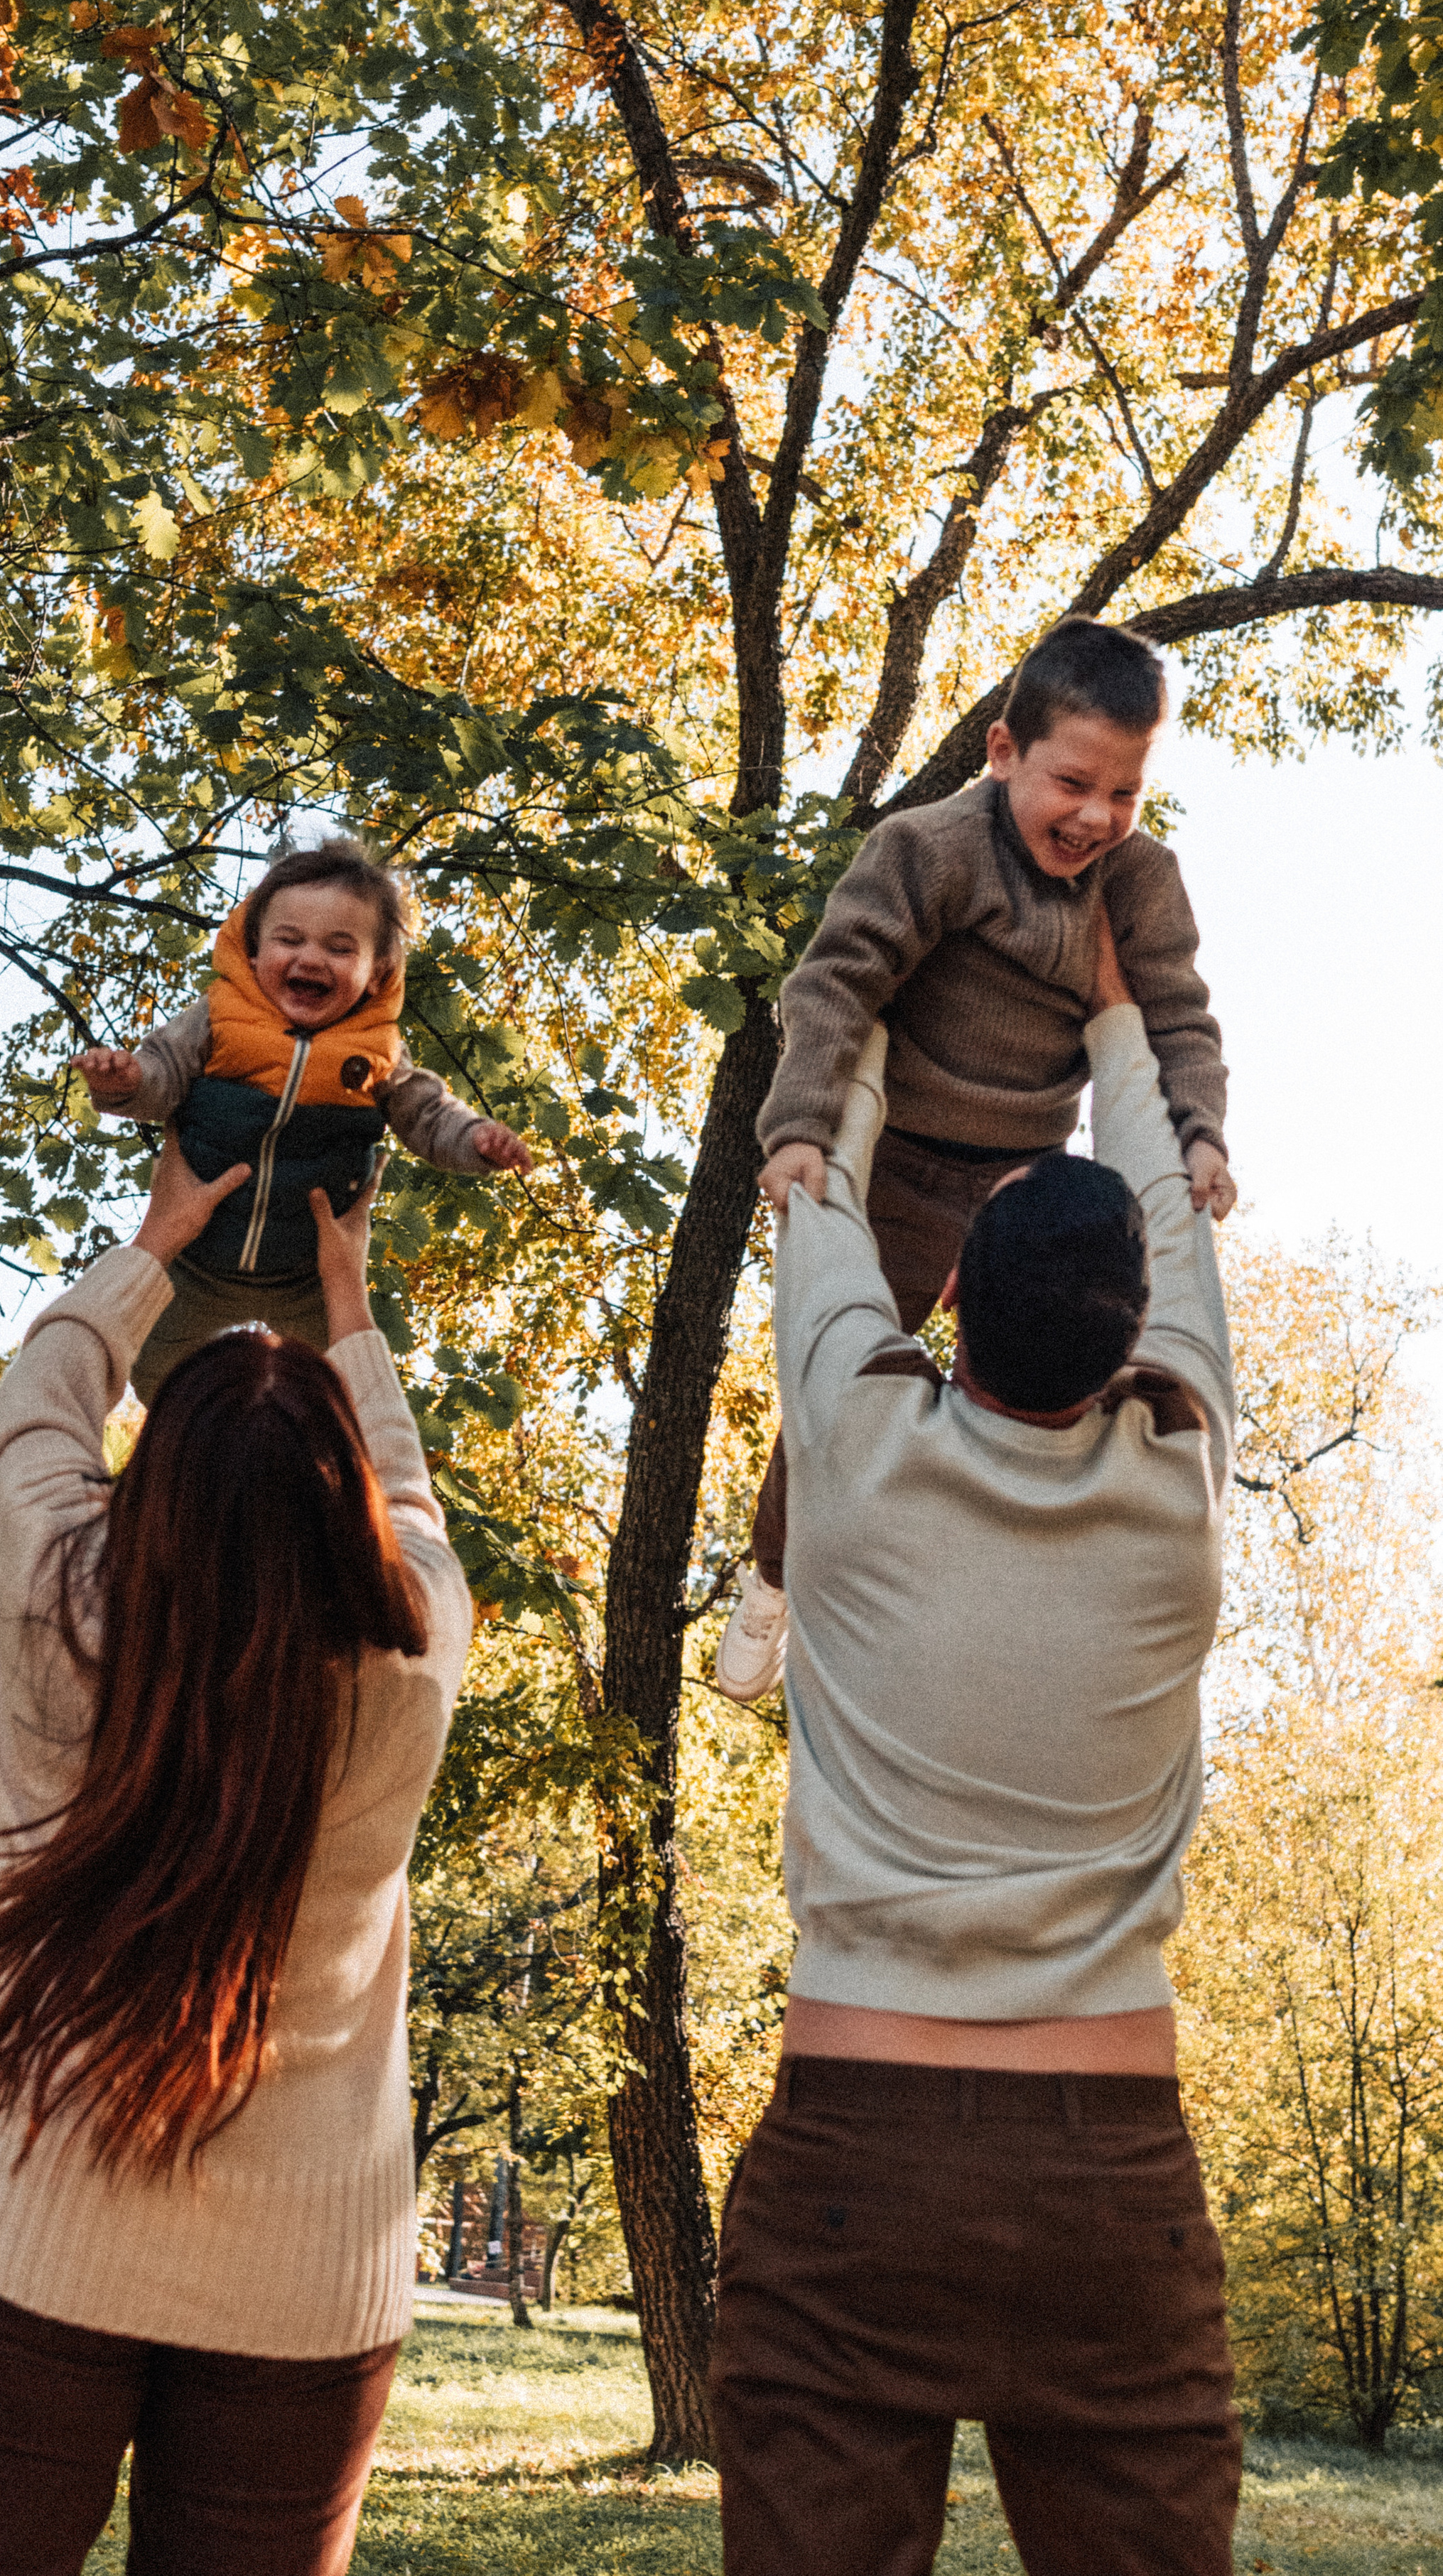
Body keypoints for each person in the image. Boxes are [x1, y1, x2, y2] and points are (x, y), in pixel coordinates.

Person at [0, 1130, 474, 2576]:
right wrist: (348, 1303)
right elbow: (412, 1505)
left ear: (154, 1484)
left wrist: (153, 1247)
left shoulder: (47, 1603)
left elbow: (40, 1405)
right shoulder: (413, 1660)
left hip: (25, 2216)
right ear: (345, 1511)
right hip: (309, 2279)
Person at [708, 908, 1241, 2576]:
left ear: (949, 1299)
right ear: (1131, 1331)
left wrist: (874, 991)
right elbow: (1169, 1211)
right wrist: (1115, 1018)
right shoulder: (1179, 1483)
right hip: (1107, 2168)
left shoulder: (852, 1441)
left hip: (854, 2144)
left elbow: (819, 1179)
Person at [718, 618, 1236, 1697]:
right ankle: (774, 1575)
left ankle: (1013, 1598)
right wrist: (800, 1126)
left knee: (1063, 1374)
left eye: (1125, 792)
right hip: (906, 1169)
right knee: (845, 1389)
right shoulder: (930, 849)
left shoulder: (1139, 881)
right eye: (1072, 783)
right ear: (1003, 752)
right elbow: (837, 982)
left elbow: (1179, 1019)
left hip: (1025, 1186)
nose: (1095, 816)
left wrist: (1201, 1133)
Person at [76, 838, 534, 1399]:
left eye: (340, 948)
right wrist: (126, 1083)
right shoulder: (218, 1018)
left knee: (337, 1385)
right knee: (152, 1364)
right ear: (252, 952)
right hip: (198, 1261)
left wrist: (476, 1139)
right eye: (289, 940)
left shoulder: (378, 1049)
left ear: (377, 972)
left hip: (309, 1271)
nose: (311, 959)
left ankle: (310, 1444)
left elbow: (429, 1113)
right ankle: (187, 1432)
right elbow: (163, 1073)